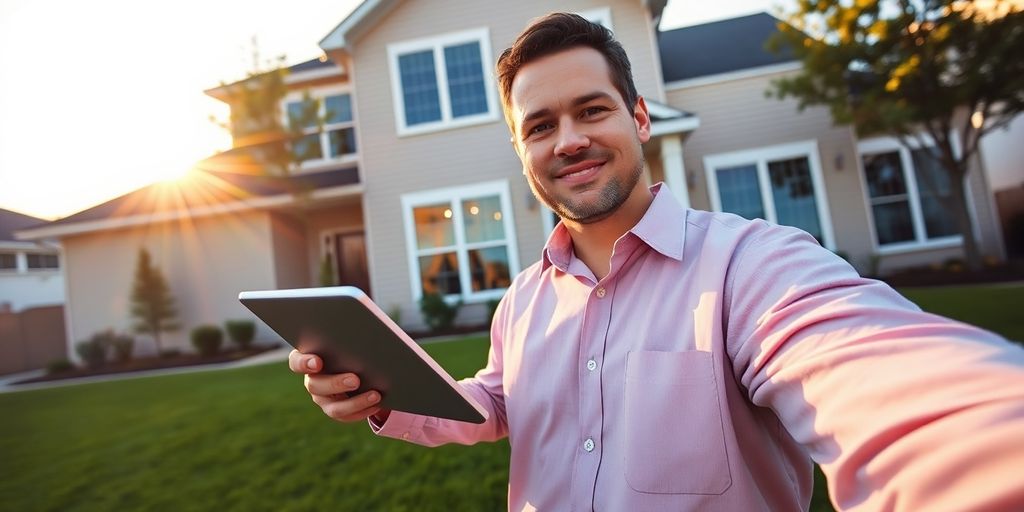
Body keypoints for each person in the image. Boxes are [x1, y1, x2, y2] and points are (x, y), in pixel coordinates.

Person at [289, 12, 1024, 511]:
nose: (568, 140)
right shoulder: (521, 302)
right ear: (522, 151)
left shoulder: (750, 267)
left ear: (639, 117)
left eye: (592, 110)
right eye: (540, 126)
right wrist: (383, 391)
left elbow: (879, 379)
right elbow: (498, 403)